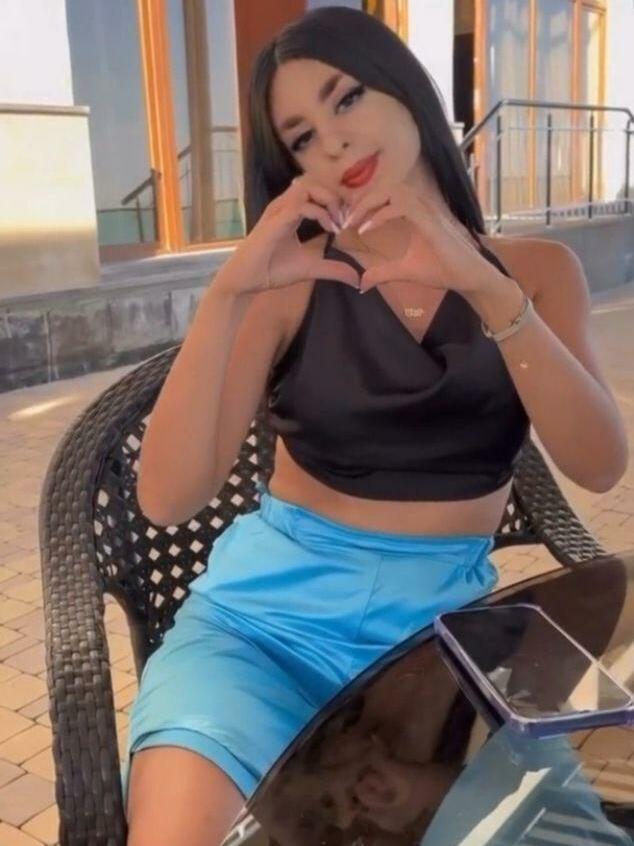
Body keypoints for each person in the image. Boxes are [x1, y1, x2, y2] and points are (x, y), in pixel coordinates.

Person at [120, 7, 629, 846]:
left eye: (347, 97)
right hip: (260, 634)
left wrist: (483, 284)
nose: (335, 142)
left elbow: (600, 463)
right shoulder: (292, 279)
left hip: (438, 653)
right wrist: (227, 294)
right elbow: (168, 498)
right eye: (302, 136)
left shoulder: (538, 271)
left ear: (404, 89)